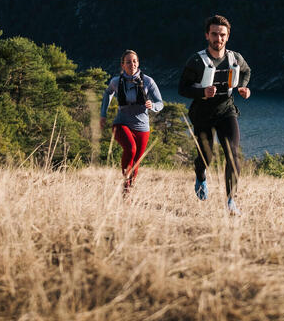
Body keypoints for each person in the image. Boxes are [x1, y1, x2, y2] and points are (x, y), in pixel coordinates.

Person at [178, 14, 251, 215]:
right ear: (207, 35)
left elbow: (246, 71)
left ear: (227, 36)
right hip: (202, 112)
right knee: (206, 156)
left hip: (226, 109)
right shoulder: (196, 61)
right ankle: (200, 175)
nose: (218, 39)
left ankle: (230, 201)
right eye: (214, 34)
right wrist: (202, 92)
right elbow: (182, 88)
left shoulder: (235, 58)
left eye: (222, 35)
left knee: (233, 153)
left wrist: (243, 88)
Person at [100, 50, 164, 195]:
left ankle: (128, 188)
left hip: (142, 127)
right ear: (122, 65)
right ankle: (125, 183)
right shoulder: (116, 82)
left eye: (134, 61)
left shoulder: (148, 81)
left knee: (136, 161)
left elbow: (160, 103)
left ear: (138, 63)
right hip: (121, 123)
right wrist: (103, 114)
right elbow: (108, 93)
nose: (132, 64)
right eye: (128, 62)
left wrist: (152, 106)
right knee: (131, 149)